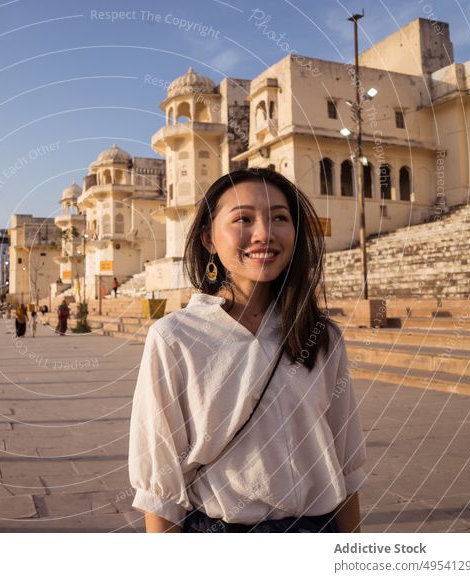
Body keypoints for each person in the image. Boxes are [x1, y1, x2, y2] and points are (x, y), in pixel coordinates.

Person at [128, 168, 367, 534]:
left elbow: (346, 465)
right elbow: (160, 487)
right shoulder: (174, 338)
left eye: (279, 219)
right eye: (244, 218)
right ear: (208, 239)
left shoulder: (321, 337)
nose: (264, 234)